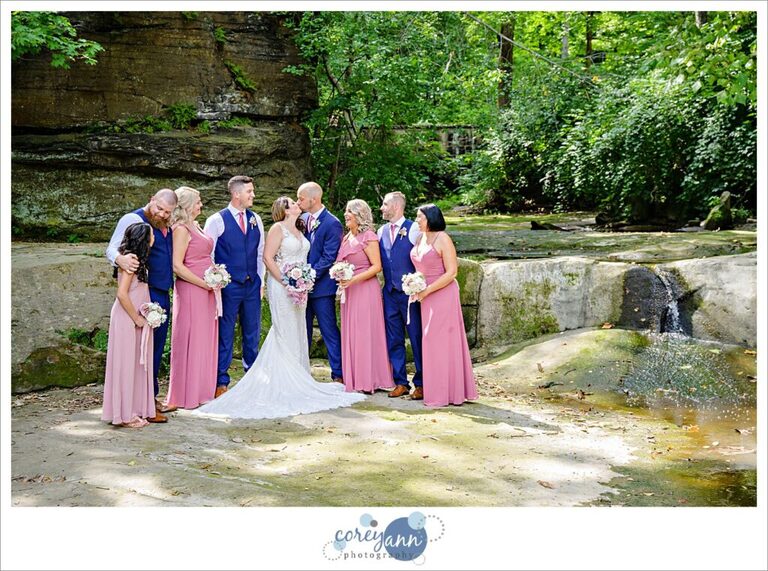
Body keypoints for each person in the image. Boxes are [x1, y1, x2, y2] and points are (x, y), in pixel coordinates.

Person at [195, 197, 365, 419]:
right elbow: (267, 258)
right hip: (282, 286)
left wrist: (303, 281)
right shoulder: (277, 229)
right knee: (283, 330)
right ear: (284, 210)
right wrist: (286, 281)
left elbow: (303, 257)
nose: (297, 204)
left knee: (297, 330)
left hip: (300, 287)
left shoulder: (299, 228)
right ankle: (281, 381)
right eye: (293, 203)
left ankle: (299, 378)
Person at [106, 189, 177, 422]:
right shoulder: (133, 219)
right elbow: (112, 248)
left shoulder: (166, 224)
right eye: (159, 209)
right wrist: (121, 260)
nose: (162, 214)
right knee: (142, 351)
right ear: (151, 200)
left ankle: (148, 399)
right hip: (144, 294)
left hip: (160, 291)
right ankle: (145, 403)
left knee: (154, 350)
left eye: (167, 212)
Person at [204, 175, 265, 398]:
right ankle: (221, 381)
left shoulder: (256, 219)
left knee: (252, 332)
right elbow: (208, 255)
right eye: (249, 191)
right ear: (236, 194)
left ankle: (252, 378)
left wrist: (260, 281)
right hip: (228, 287)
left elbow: (259, 253)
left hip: (251, 285)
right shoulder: (216, 220)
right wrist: (216, 283)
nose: (253, 195)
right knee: (225, 334)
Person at [410, 204, 478, 407]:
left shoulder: (443, 239)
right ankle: (437, 390)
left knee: (437, 341)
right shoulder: (420, 238)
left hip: (442, 293)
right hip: (424, 294)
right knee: (429, 343)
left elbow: (452, 272)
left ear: (430, 218)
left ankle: (446, 393)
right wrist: (414, 284)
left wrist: (428, 290)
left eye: (419, 217)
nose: (416, 220)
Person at [165, 187, 218, 409]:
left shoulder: (196, 226)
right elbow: (177, 265)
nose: (201, 205)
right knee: (191, 338)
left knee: (204, 339)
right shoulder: (180, 229)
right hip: (191, 290)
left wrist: (216, 277)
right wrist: (203, 283)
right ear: (187, 205)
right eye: (198, 202)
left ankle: (202, 390)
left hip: (207, 289)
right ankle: (184, 394)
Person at [102, 222, 156, 428]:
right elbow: (122, 294)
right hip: (126, 318)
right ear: (145, 239)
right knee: (125, 364)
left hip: (134, 316)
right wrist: (137, 318)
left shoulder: (139, 261)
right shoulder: (131, 260)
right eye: (151, 235)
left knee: (134, 364)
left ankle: (132, 409)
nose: (154, 238)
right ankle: (124, 415)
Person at [336, 199, 393, 394]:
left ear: (359, 214)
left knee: (364, 333)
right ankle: (354, 377)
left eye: (349, 211)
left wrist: (353, 279)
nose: (346, 214)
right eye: (346, 210)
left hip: (365, 290)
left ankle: (369, 379)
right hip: (349, 291)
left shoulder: (368, 236)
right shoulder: (346, 238)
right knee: (351, 332)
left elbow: (377, 267)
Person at [378, 192, 424, 400]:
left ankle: (422, 383)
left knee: (415, 337)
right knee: (394, 338)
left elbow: (423, 256)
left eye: (385, 204)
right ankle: (400, 382)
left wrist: (418, 283)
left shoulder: (414, 229)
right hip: (389, 293)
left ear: (396, 206)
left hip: (409, 294)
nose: (381, 208)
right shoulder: (381, 231)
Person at [297, 182, 344, 383]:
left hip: (322, 288)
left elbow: (329, 256)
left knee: (329, 330)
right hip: (299, 288)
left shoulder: (332, 223)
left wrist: (308, 277)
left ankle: (339, 374)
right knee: (302, 331)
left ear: (313, 199)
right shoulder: (302, 220)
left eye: (301, 198)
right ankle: (302, 373)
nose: (298, 202)